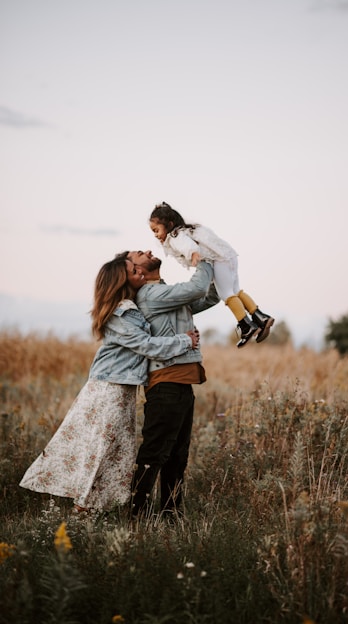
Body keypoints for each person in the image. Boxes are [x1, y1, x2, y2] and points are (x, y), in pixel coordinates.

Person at [19, 252, 199, 513]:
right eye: (133, 271)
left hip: (123, 389)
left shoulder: (135, 305)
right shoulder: (119, 313)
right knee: (101, 447)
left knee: (116, 449)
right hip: (109, 388)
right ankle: (84, 507)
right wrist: (185, 341)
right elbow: (145, 345)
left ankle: (97, 505)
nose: (140, 272)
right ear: (120, 280)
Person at [126, 250, 219, 518]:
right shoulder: (150, 295)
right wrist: (203, 257)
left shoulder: (167, 294)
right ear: (139, 272)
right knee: (154, 453)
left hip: (181, 384)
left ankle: (171, 514)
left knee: (177, 456)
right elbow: (197, 286)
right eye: (139, 255)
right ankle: (137, 515)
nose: (149, 251)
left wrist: (224, 273)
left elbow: (209, 294)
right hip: (166, 382)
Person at [148, 201, 275, 348]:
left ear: (169, 225)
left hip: (218, 260)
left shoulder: (175, 236)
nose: (156, 235)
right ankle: (261, 317)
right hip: (228, 255)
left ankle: (246, 325)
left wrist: (194, 254)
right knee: (236, 291)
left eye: (156, 230)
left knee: (226, 294)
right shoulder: (188, 230)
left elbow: (187, 246)